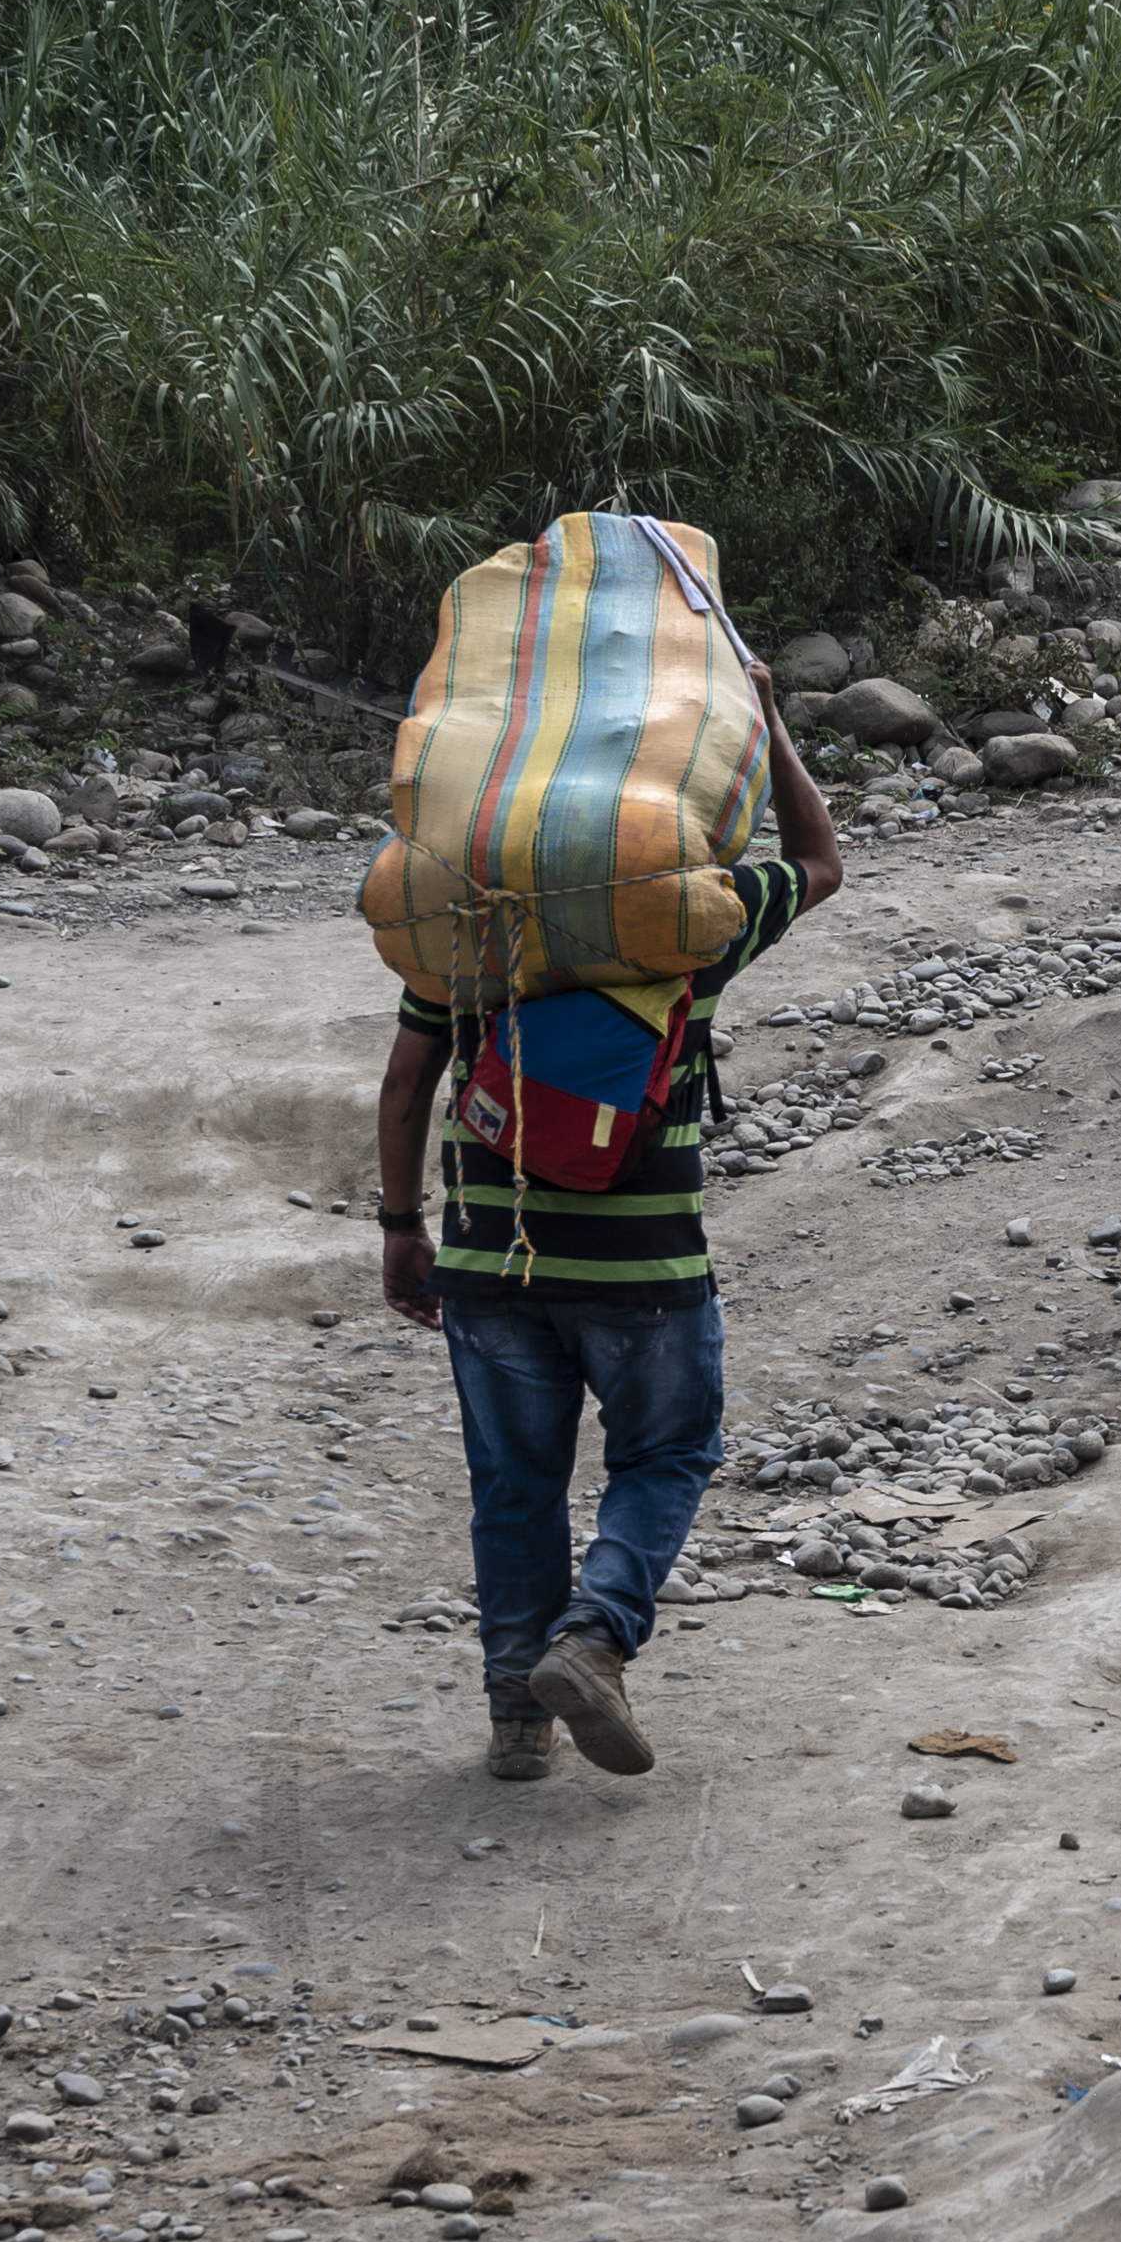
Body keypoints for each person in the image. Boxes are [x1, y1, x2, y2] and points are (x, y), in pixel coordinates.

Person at [373, 709, 849, 1783]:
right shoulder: (693, 920)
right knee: (668, 1452)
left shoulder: (466, 923)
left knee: (514, 1480)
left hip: (493, 1259)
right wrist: (770, 722)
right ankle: (593, 1638)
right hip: (648, 1268)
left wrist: (404, 1226)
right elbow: (819, 860)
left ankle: (516, 1719)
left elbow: (408, 1082)